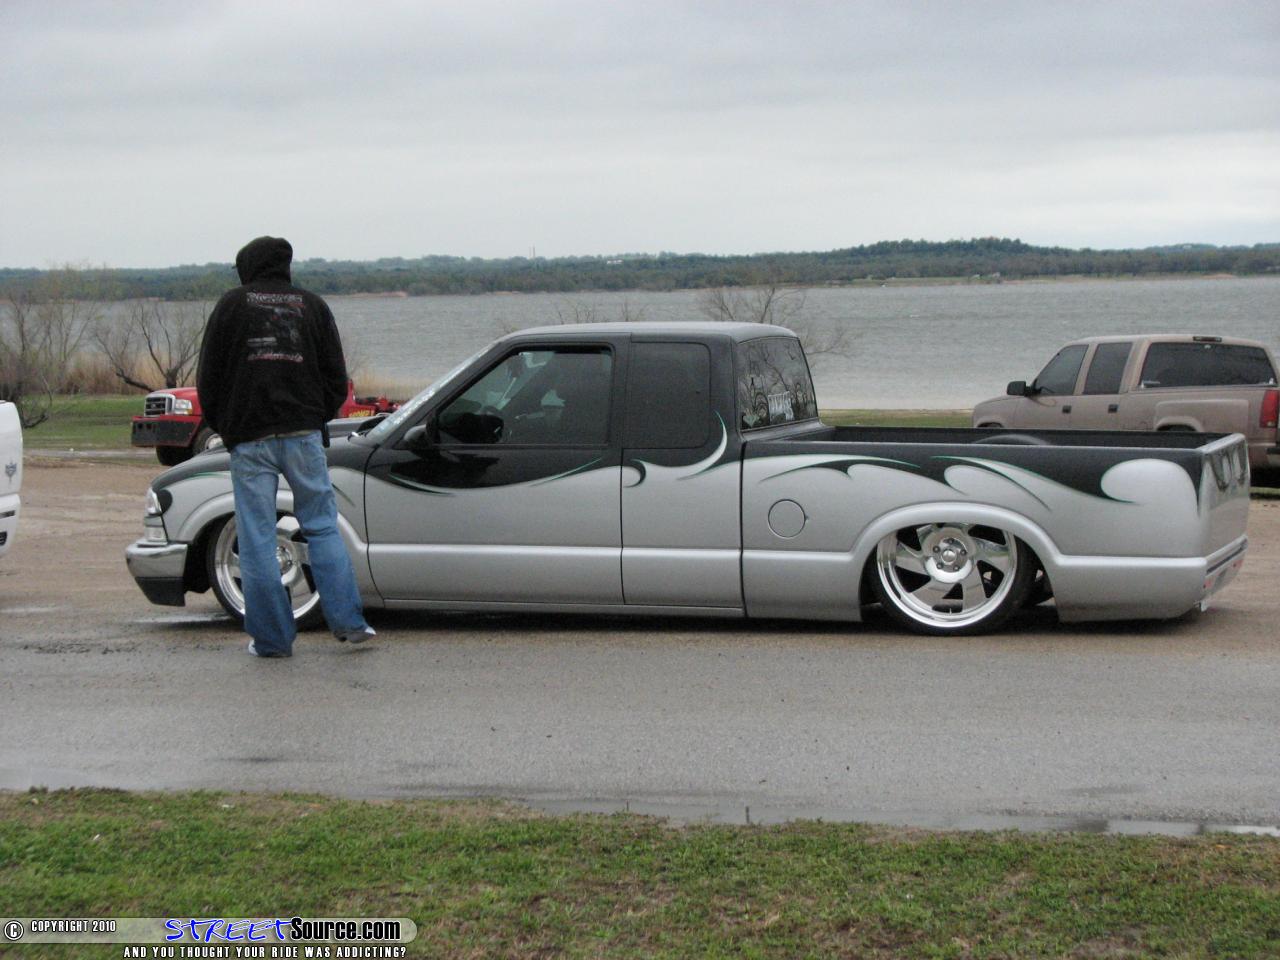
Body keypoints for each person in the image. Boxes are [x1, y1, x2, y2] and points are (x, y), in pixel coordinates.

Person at [197, 236, 375, 658]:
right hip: (303, 433)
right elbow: (336, 377)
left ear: (248, 267)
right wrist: (316, 416)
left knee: (257, 537)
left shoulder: (230, 306)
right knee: (322, 525)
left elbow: (209, 378)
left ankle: (273, 640)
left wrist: (226, 426)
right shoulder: (312, 306)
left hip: (250, 438)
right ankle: (350, 623)